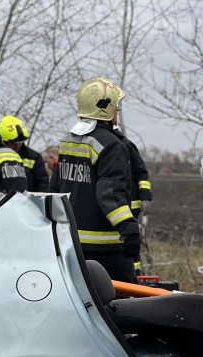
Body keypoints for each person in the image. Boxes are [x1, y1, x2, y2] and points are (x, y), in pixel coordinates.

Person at [49, 78, 139, 282]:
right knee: (126, 304)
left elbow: (55, 188)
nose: (118, 110)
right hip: (106, 248)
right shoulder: (112, 145)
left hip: (72, 243)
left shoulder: (69, 141)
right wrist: (128, 227)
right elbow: (111, 193)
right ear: (104, 109)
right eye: (115, 106)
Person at [111, 124, 152, 275]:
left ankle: (135, 276)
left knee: (129, 243)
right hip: (116, 205)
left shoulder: (126, 146)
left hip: (130, 206)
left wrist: (145, 197)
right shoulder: (106, 145)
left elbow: (141, 172)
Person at [0, 115, 49, 192]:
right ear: (4, 141)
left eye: (21, 142)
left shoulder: (33, 158)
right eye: (14, 143)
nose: (18, 145)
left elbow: (42, 185)